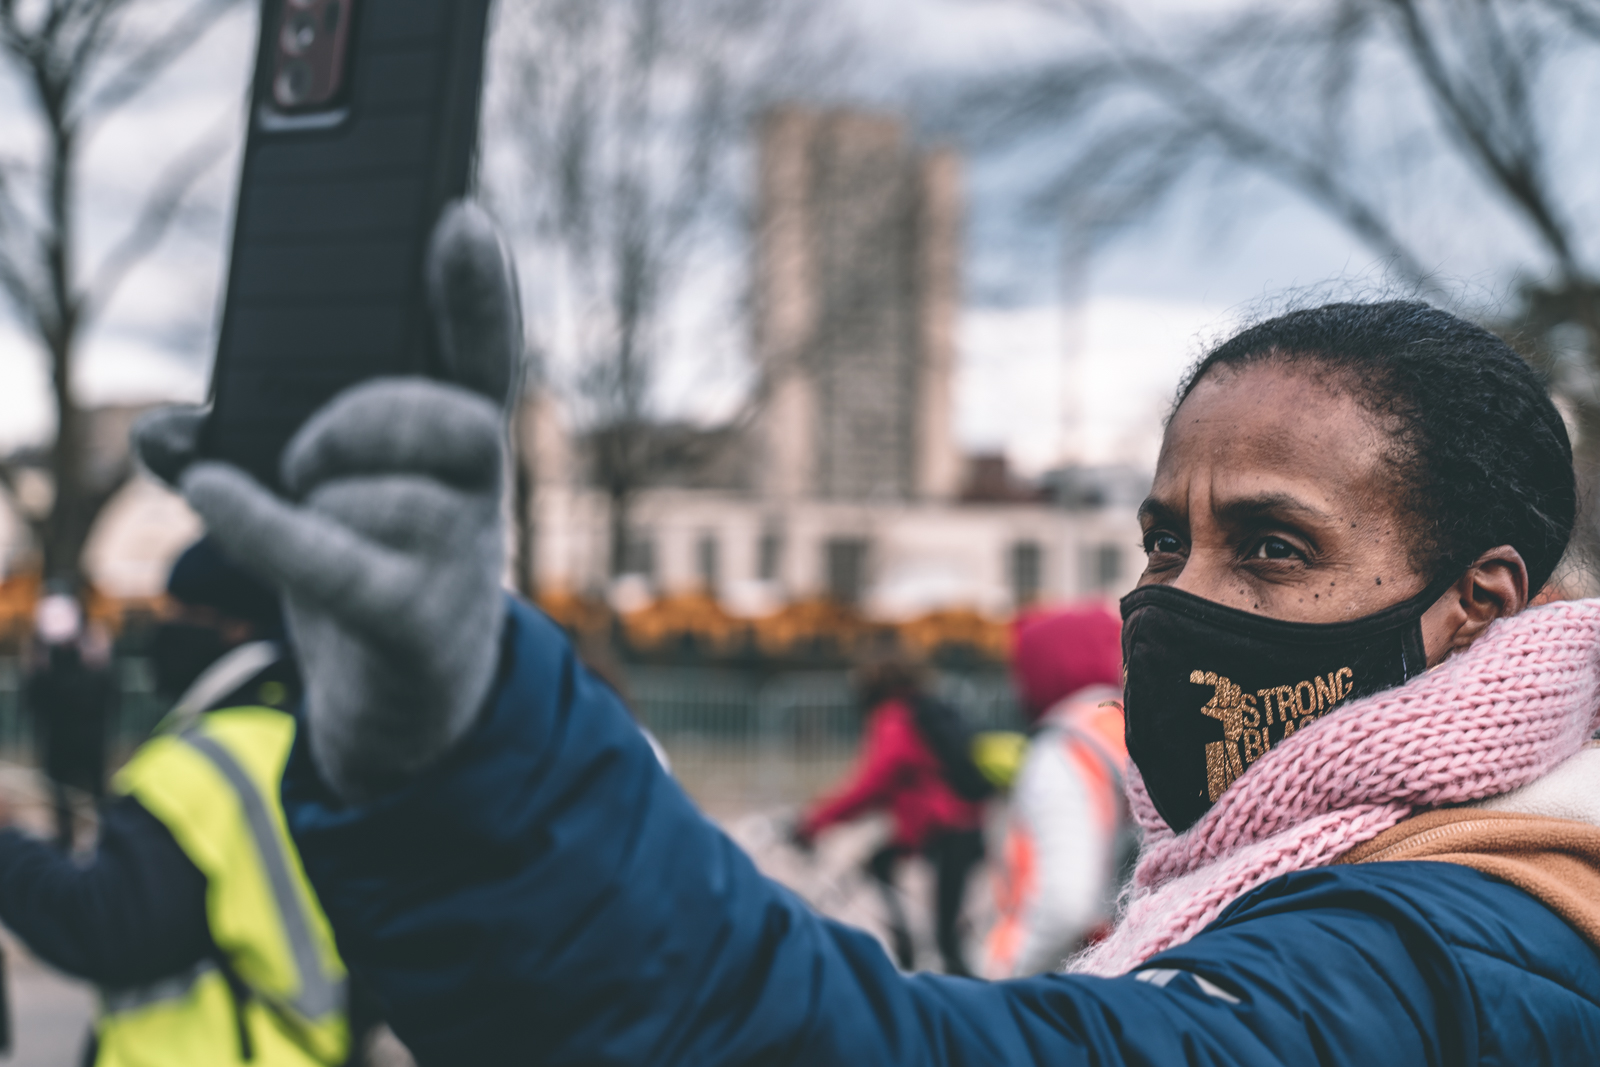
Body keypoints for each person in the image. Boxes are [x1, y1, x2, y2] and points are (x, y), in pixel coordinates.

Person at [146, 206, 1600, 1063]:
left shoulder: (1465, 937)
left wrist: (483, 753)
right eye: (1166, 539)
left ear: (1479, 600)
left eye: (1273, 547)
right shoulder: (1322, 870)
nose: (1180, 594)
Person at [0, 537, 360, 1067]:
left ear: (235, 625)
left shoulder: (203, 764)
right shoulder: (312, 739)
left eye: (180, 612)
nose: (161, 628)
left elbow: (104, 926)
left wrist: (6, 845)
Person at [792, 658, 986, 975]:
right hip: (964, 824)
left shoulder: (895, 719)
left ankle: (923, 966)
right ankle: (908, 950)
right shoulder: (924, 709)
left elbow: (874, 783)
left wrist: (813, 823)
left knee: (947, 946)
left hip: (940, 829)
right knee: (883, 867)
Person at [985, 604, 1130, 977]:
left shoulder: (1062, 749)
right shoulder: (1127, 725)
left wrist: (1001, 978)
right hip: (1139, 959)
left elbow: (1064, 904)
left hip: (1082, 974)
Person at [24, 592, 114, 850]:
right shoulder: (53, 665)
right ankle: (72, 841)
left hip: (79, 741)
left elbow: (105, 697)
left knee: (92, 797)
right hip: (66, 741)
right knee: (68, 801)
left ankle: (95, 841)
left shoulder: (83, 662)